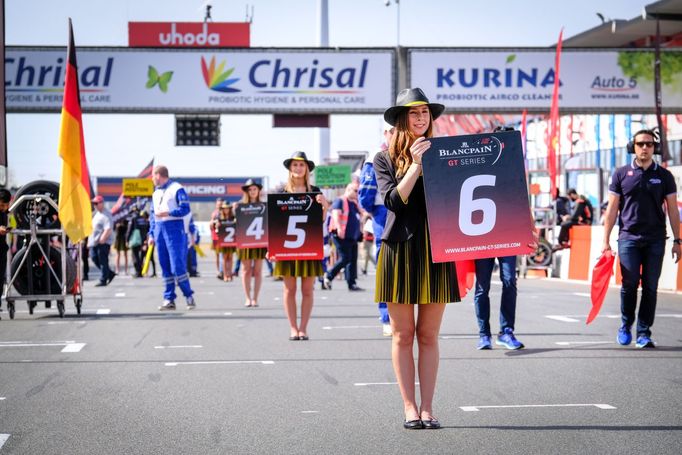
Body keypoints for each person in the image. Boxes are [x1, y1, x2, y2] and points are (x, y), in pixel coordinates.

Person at [374, 88, 459, 429]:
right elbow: (394, 202)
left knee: (428, 335)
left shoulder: (447, 152)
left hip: (438, 248)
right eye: (414, 113)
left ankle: (428, 407)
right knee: (402, 335)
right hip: (398, 249)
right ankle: (409, 407)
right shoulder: (383, 159)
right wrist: (417, 165)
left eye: (425, 113)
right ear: (400, 119)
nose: (422, 118)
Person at [602, 129, 680, 348]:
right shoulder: (620, 174)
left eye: (649, 144)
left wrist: (678, 240)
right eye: (640, 144)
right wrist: (605, 240)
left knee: (650, 287)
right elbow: (611, 210)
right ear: (632, 147)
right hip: (628, 238)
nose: (644, 148)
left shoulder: (665, 176)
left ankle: (644, 332)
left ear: (654, 148)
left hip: (656, 239)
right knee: (629, 283)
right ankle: (626, 325)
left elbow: (673, 211)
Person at [274, 151, 329, 341]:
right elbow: (273, 223)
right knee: (289, 289)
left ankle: (303, 328)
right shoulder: (280, 192)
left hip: (310, 245)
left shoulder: (315, 191)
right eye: (295, 165)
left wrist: (325, 207)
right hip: (286, 248)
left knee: (307, 289)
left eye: (302, 165)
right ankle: (292, 327)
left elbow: (320, 220)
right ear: (290, 168)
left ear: (307, 169)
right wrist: (270, 248)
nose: (298, 168)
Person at [359, 124, 394, 337]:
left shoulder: (415, 149)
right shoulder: (376, 157)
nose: (398, 134)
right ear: (386, 133)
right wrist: (375, 212)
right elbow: (365, 192)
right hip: (385, 211)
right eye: (393, 130)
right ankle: (386, 316)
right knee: (385, 264)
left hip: (411, 211)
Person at [149, 165, 196, 310]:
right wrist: (151, 234)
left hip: (174, 229)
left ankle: (188, 295)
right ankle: (169, 299)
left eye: (153, 175)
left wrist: (169, 213)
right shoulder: (155, 193)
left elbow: (185, 208)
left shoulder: (177, 188)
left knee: (177, 266)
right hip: (159, 230)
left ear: (158, 175)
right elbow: (152, 214)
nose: (151, 179)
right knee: (164, 266)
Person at [323, 183, 363, 292]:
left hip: (352, 236)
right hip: (341, 235)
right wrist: (339, 228)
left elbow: (359, 216)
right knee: (345, 258)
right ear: (348, 189)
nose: (357, 193)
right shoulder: (340, 200)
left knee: (352, 259)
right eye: (355, 191)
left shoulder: (354, 203)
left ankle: (352, 283)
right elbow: (335, 214)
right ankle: (329, 275)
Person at [236, 179, 267, 307]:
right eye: (250, 189)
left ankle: (255, 298)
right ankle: (247, 297)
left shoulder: (264, 206)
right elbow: (234, 222)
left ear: (258, 190)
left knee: (258, 271)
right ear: (247, 192)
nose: (253, 191)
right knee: (246, 270)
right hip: (245, 241)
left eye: (255, 189)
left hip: (260, 240)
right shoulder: (239, 206)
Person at [88, 195, 116, 287]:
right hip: (94, 242)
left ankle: (103, 279)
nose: (94, 205)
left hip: (102, 242)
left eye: (96, 203)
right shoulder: (97, 214)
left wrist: (103, 238)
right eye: (94, 203)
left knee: (103, 260)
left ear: (101, 203)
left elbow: (108, 228)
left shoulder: (106, 214)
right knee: (94, 258)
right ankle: (109, 273)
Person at [213, 202, 236, 282]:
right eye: (224, 208)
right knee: (224, 258)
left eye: (227, 208)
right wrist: (216, 225)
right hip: (223, 240)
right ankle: (225, 275)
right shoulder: (219, 217)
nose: (226, 210)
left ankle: (230, 274)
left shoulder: (233, 217)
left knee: (231, 258)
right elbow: (214, 227)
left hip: (232, 241)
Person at [0, 189, 11, 306]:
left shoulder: (5, 211)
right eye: (2, 205)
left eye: (6, 205)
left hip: (2, 250)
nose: (3, 207)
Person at [210, 198, 224, 279]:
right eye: (218, 204)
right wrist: (213, 223)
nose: (220, 206)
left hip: (223, 237)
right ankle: (218, 270)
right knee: (217, 255)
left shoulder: (225, 212)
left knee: (224, 255)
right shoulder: (214, 213)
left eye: (221, 204)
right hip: (215, 237)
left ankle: (223, 270)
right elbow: (211, 224)